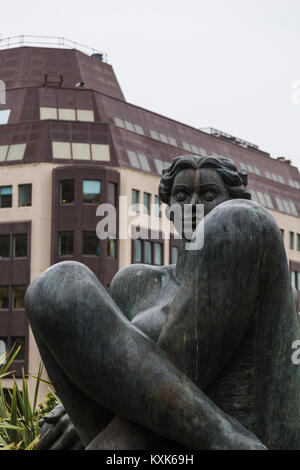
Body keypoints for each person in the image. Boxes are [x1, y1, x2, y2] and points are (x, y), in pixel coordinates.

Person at [26, 155, 299, 450]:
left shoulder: (259, 268)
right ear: (169, 211)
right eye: (181, 196)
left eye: (208, 195)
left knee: (242, 220)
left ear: (230, 199)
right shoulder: (134, 284)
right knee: (54, 285)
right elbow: (120, 368)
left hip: (254, 430)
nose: (194, 206)